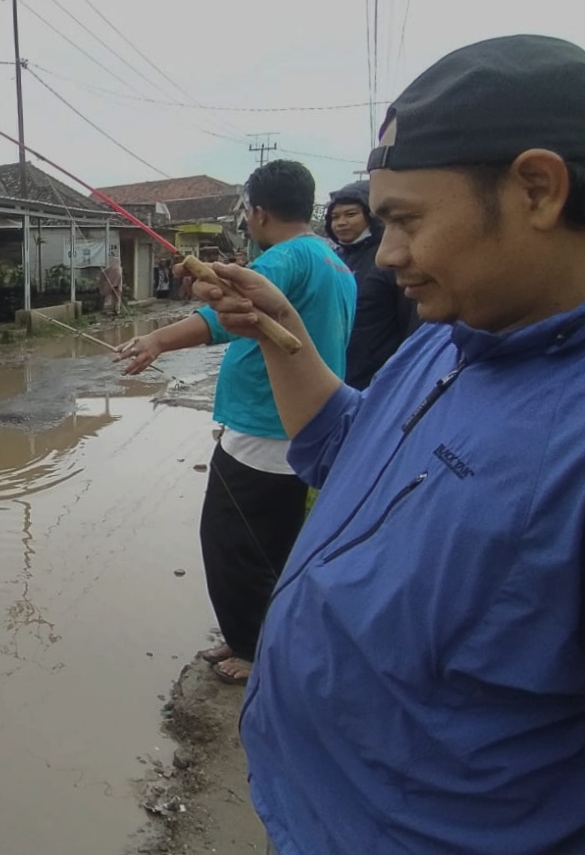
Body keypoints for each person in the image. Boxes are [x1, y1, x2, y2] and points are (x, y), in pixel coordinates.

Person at [196, 35, 585, 855]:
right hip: (310, 815)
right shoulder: (452, 335)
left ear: (537, 190)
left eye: (406, 221)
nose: (389, 253)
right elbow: (345, 443)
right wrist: (280, 333)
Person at [117, 160, 355, 685]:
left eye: (247, 212)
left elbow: (226, 316)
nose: (247, 221)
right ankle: (253, 630)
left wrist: (156, 340)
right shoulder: (333, 260)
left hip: (265, 425)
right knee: (268, 538)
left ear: (260, 212)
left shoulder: (287, 257)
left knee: (235, 544)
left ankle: (253, 647)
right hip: (297, 421)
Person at [326, 180, 421, 388]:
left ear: (371, 216)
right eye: (335, 217)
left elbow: (412, 323)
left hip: (377, 378)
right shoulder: (332, 258)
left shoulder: (388, 259)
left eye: (350, 214)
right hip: (336, 374)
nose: (341, 222)